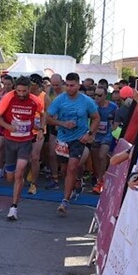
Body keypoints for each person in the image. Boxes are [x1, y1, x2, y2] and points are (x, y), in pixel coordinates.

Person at [47, 72, 100, 216]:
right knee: (64, 170)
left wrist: (88, 134)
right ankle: (76, 181)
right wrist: (62, 123)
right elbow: (48, 118)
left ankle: (64, 201)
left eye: (72, 85)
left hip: (79, 139)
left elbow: (96, 118)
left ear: (78, 84)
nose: (70, 88)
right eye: (67, 85)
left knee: (71, 167)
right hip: (63, 138)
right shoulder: (59, 100)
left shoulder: (86, 101)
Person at [0, 76, 44, 221]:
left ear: (29, 89)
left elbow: (43, 114)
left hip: (26, 141)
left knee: (20, 170)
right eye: (19, 91)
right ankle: (13, 175)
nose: (21, 94)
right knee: (10, 177)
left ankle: (13, 207)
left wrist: (41, 129)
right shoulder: (8, 98)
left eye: (24, 91)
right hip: (10, 140)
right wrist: (8, 126)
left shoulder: (35, 100)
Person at [91, 85, 118, 194]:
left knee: (102, 155)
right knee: (95, 158)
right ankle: (100, 177)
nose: (97, 97)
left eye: (100, 95)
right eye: (95, 95)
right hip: (94, 134)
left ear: (106, 96)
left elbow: (118, 121)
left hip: (107, 134)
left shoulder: (113, 107)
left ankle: (100, 180)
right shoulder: (92, 105)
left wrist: (114, 131)